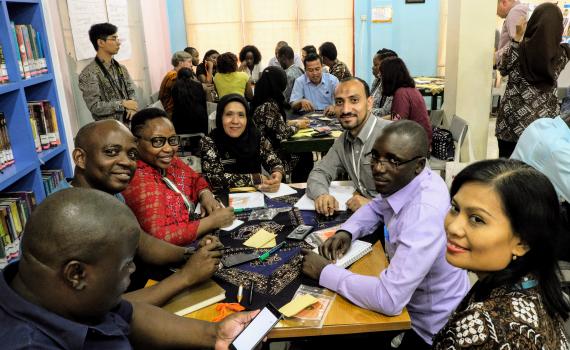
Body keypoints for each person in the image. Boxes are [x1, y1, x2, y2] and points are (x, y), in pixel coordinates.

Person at [0, 188, 259, 349]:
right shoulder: (27, 343)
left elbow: (128, 315)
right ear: (76, 274)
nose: (134, 270)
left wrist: (214, 333)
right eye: (126, 265)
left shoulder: (53, 290)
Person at [302, 120, 470, 349]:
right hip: (409, 304)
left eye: (393, 161)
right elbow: (376, 206)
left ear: (419, 165)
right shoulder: (410, 179)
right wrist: (346, 232)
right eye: (376, 157)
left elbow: (389, 299)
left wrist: (324, 272)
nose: (379, 168)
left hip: (426, 328)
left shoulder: (423, 214)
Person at [59, 119, 224, 307]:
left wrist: (191, 254)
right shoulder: (69, 218)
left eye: (131, 154)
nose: (126, 162)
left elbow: (142, 242)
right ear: (80, 158)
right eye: (111, 152)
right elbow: (102, 309)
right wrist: (186, 277)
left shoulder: (108, 193)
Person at [432, 159, 570, 349]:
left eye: (477, 219)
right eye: (455, 208)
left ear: (522, 242)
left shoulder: (490, 332)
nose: (454, 227)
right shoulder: (532, 283)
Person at [123, 108, 235, 246]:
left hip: (197, 231)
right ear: (136, 142)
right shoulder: (136, 180)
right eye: (158, 141)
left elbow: (196, 179)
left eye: (172, 140)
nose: (169, 149)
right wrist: (212, 221)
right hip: (175, 255)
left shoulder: (168, 161)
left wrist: (205, 195)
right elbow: (161, 238)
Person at [306, 77, 391, 214]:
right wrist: (322, 195)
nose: (345, 110)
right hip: (366, 221)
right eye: (339, 102)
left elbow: (420, 193)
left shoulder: (394, 136)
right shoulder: (343, 141)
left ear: (369, 103)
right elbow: (320, 172)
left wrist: (374, 205)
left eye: (354, 100)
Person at [496, 3, 570, 158]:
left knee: (505, 170)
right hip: (542, 127)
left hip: (511, 124)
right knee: (533, 174)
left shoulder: (518, 48)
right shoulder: (561, 54)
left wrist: (517, 37)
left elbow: (502, 69)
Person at [200, 94, 285, 193]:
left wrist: (277, 173)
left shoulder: (256, 137)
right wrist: (256, 179)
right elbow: (213, 179)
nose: (235, 121)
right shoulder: (209, 142)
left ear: (247, 118)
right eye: (229, 114)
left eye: (241, 115)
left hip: (256, 199)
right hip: (223, 201)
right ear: (220, 117)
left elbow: (273, 160)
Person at [251, 66, 310, 180]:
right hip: (270, 154)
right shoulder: (268, 106)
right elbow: (281, 134)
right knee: (305, 155)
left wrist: (291, 122)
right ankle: (299, 187)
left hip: (268, 148)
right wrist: (298, 125)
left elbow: (274, 124)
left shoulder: (263, 99)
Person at [79, 22, 137, 123]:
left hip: (130, 125)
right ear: (101, 43)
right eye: (114, 39)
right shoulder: (89, 73)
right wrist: (122, 104)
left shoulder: (121, 68)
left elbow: (131, 91)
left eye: (117, 39)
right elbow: (95, 106)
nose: (118, 42)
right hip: (108, 131)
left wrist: (132, 107)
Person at [380, 57, 432, 145]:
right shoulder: (410, 89)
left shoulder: (401, 94)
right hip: (421, 138)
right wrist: (377, 120)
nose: (380, 78)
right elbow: (398, 116)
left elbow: (397, 124)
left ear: (389, 76)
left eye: (382, 75)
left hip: (416, 144)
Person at [171, 67, 208, 135]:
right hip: (200, 121)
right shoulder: (198, 85)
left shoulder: (175, 87)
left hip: (181, 123)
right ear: (192, 76)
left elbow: (176, 105)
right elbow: (203, 103)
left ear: (178, 76)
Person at [158, 51, 194, 118]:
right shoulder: (173, 76)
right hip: (171, 112)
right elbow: (185, 96)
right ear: (180, 63)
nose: (191, 65)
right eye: (189, 62)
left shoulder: (175, 73)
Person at [495, 0, 529, 66]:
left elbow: (517, 44)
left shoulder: (515, 12)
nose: (496, 13)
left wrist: (495, 57)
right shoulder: (523, 9)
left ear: (504, 2)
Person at [370, 48, 398, 118]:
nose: (373, 68)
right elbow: (370, 101)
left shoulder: (395, 85)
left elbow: (385, 112)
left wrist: (364, 111)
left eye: (376, 65)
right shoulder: (377, 81)